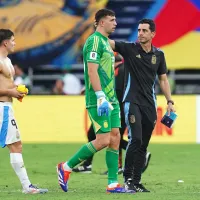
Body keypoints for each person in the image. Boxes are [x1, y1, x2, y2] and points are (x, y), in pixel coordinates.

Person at [57, 9, 135, 194]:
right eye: (112, 20)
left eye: (115, 19)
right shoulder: (93, 41)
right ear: (101, 22)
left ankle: (112, 184)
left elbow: (107, 67)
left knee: (115, 137)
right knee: (102, 140)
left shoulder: (107, 43)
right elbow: (92, 70)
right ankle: (66, 167)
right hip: (98, 98)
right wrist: (100, 96)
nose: (115, 23)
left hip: (112, 98)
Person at [109, 19, 176, 192]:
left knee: (143, 144)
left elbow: (163, 79)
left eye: (144, 31)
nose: (140, 33)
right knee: (135, 139)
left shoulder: (159, 55)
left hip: (150, 104)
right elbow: (107, 42)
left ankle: (136, 182)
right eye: (139, 30)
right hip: (132, 101)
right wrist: (99, 29)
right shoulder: (130, 49)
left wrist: (169, 101)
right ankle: (128, 179)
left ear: (153, 34)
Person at [73, 53, 151, 175]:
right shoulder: (125, 69)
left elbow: (116, 91)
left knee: (109, 136)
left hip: (116, 108)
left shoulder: (119, 71)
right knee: (111, 136)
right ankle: (91, 164)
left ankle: (136, 155)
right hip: (124, 108)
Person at [0, 29, 48, 194]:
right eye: (12, 40)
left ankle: (27, 186)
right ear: (5, 42)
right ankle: (27, 187)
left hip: (6, 107)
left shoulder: (7, 61)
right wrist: (10, 92)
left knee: (15, 146)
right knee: (16, 146)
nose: (14, 43)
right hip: (1, 108)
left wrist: (17, 91)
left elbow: (7, 85)